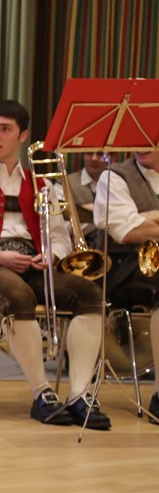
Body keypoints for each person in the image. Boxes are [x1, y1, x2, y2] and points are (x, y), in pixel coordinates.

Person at [0, 99, 110, 429]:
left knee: (88, 293)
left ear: (22, 135)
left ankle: (79, 394)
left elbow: (61, 236)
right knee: (18, 297)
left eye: (5, 129)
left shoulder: (43, 185)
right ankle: (42, 393)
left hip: (35, 264)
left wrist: (51, 255)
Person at [93, 149, 159, 423]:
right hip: (124, 268)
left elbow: (137, 224)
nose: (140, 144)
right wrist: (141, 221)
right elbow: (127, 232)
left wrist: (149, 216)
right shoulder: (114, 177)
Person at [55, 151, 107, 246]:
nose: (94, 158)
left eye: (100, 154)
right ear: (83, 156)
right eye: (89, 153)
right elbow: (58, 224)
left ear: (114, 157)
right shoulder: (64, 183)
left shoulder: (119, 182)